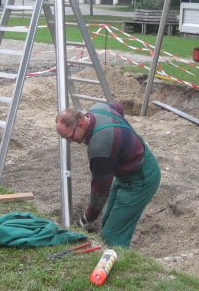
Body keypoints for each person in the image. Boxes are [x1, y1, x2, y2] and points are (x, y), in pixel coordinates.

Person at [55, 102, 161, 248]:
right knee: (107, 219)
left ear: (80, 123)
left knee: (112, 236)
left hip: (141, 180)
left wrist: (87, 219)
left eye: (69, 137)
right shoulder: (97, 109)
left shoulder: (100, 147)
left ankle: (120, 262)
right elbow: (118, 107)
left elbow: (100, 190)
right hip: (129, 170)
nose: (70, 141)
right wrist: (121, 141)